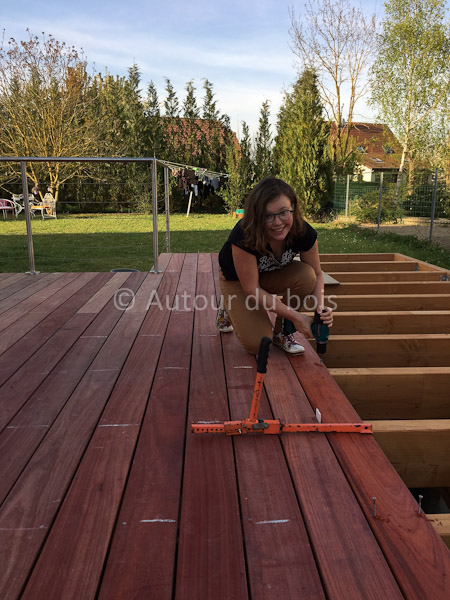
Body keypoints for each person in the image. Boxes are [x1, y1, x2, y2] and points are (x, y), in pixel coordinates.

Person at [216, 177, 333, 355]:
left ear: (293, 208)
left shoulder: (303, 231)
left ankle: (282, 332)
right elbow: (251, 290)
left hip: (269, 274)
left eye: (283, 212)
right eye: (267, 216)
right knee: (258, 344)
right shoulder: (244, 235)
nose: (277, 222)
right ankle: (229, 303)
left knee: (306, 275)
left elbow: (317, 274)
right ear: (257, 216)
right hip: (240, 282)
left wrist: (320, 309)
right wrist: (297, 317)